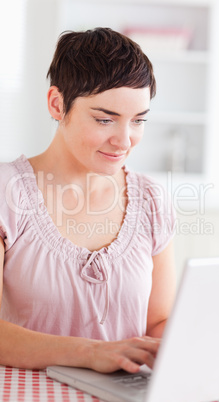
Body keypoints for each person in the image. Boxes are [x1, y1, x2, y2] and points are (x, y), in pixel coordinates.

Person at [0, 28, 176, 373]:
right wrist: (92, 353)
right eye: (104, 119)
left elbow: (158, 321)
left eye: (139, 121)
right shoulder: (7, 192)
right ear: (57, 103)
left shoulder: (152, 199)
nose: (124, 141)